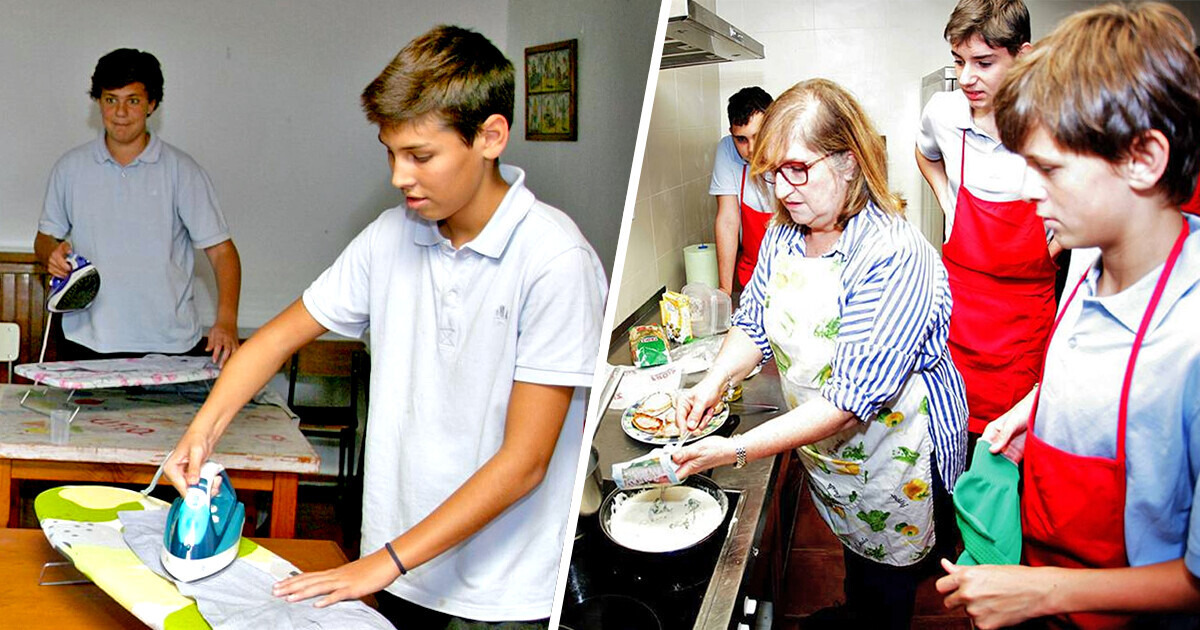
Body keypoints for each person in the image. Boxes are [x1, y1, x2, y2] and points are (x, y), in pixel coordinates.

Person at [164, 25, 606, 630]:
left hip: (503, 591)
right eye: (390, 153)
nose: (399, 177)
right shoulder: (390, 235)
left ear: (491, 137)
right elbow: (273, 340)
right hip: (397, 567)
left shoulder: (556, 261)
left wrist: (383, 563)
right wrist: (201, 433)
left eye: (420, 156)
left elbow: (525, 462)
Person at [936, 3, 1200, 627]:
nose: (1028, 191)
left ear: (1143, 159)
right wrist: (1038, 410)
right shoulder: (1086, 257)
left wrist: (1044, 592)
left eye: (1049, 169)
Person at [674, 78, 968, 629]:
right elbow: (754, 323)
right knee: (857, 559)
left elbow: (851, 401)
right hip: (835, 458)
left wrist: (733, 449)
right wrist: (711, 382)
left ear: (850, 162)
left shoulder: (892, 254)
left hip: (894, 458)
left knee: (888, 584)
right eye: (772, 173)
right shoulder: (788, 235)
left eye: (797, 169)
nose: (783, 190)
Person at [34, 48, 242, 366]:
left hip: (170, 344)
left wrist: (226, 320)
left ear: (151, 105)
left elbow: (223, 253)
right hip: (85, 341)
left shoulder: (183, 171)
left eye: (132, 100)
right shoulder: (70, 168)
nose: (120, 112)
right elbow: (44, 238)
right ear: (98, 102)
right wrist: (50, 253)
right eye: (110, 99)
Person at [915, 0, 1058, 438]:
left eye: (984, 62)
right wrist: (948, 202)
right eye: (958, 61)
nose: (966, 78)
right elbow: (924, 153)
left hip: (1024, 316)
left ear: (1025, 56)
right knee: (950, 430)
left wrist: (1055, 240)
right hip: (959, 305)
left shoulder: (1055, 121)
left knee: (1012, 445)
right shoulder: (944, 113)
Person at [710, 86, 774, 297]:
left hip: (794, 276)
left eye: (759, 135)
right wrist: (725, 293)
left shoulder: (792, 150)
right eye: (742, 139)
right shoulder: (727, 151)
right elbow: (728, 220)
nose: (752, 149)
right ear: (732, 134)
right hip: (753, 277)